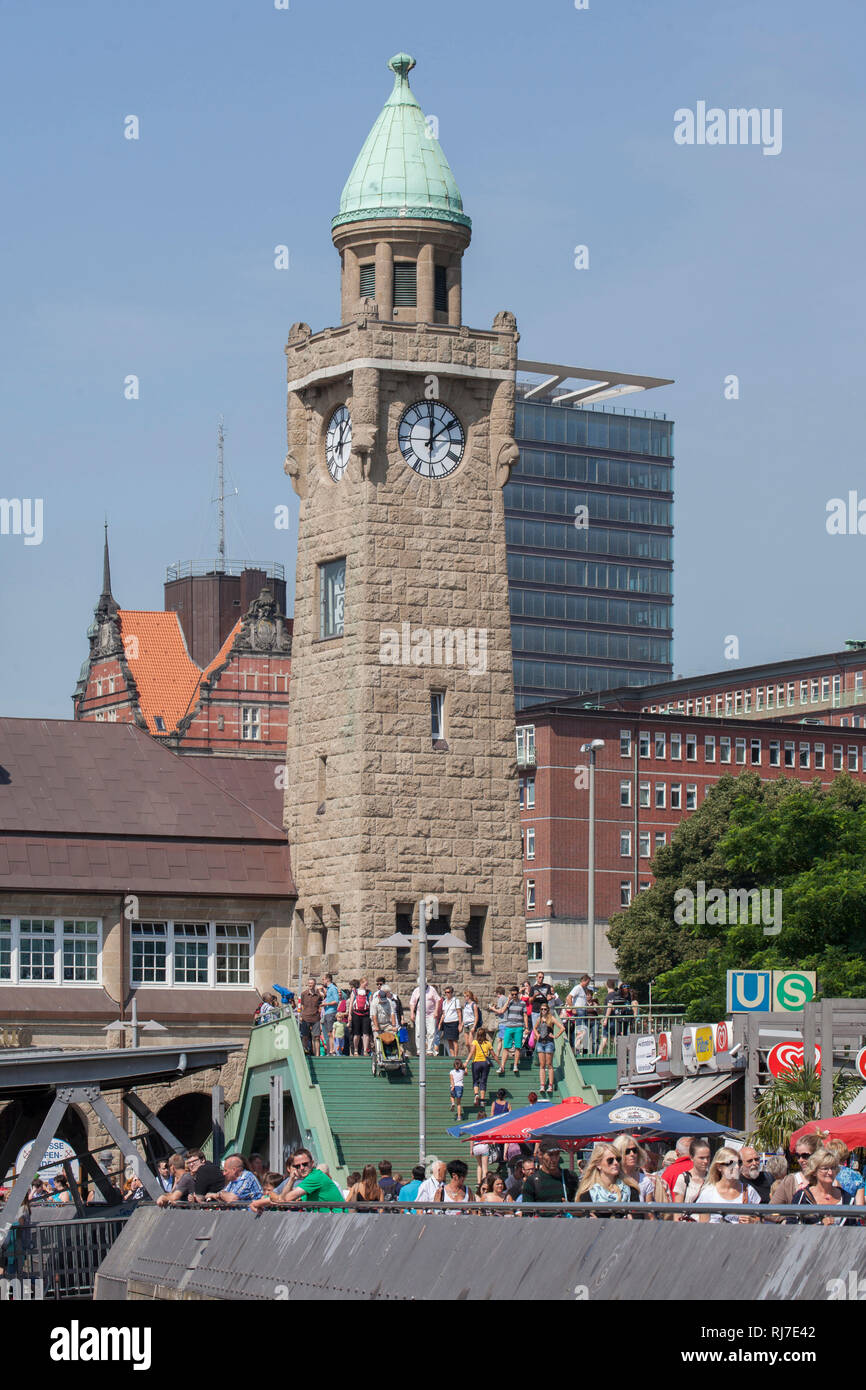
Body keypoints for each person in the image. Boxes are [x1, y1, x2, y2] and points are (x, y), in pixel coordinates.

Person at [251, 1148, 345, 1212]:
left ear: (312, 1164)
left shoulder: (315, 1177)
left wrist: (257, 1203)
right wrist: (291, 1179)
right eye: (297, 1166)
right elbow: (281, 1198)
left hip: (338, 1220)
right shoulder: (303, 1180)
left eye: (305, 1164)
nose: (301, 1168)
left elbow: (285, 1199)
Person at [792, 1147, 865, 1225]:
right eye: (825, 1168)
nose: (830, 1172)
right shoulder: (802, 1197)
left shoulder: (847, 1198)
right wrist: (819, 1225)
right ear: (814, 1172)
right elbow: (792, 1227)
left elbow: (852, 1229)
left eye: (833, 1168)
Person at [695, 1147, 762, 1222]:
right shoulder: (708, 1193)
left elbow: (760, 1221)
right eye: (731, 1163)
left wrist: (752, 1221)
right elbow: (703, 1226)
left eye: (739, 1163)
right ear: (719, 1167)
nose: (737, 1167)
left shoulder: (748, 1190)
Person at [577, 1143, 640, 1212]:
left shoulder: (631, 1190)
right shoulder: (588, 1193)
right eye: (610, 1160)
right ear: (598, 1164)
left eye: (618, 1159)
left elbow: (638, 1217)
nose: (616, 1163)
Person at [522, 1139, 578, 1214]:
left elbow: (582, 1209)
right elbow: (527, 1214)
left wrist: (571, 1209)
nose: (554, 1159)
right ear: (540, 1155)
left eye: (557, 1154)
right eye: (550, 1154)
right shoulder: (532, 1181)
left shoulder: (570, 1177)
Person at [769, 1132, 822, 1207]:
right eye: (797, 1156)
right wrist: (793, 1216)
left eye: (805, 1156)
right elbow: (771, 1211)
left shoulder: (829, 1179)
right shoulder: (790, 1181)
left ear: (817, 1155)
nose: (800, 1160)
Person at [672, 1138, 712, 1218]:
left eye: (708, 1157)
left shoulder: (713, 1179)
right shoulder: (683, 1178)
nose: (706, 1161)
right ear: (692, 1157)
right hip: (688, 1226)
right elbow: (677, 1211)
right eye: (701, 1158)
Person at [612, 1133, 656, 1203]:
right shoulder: (610, 1178)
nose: (632, 1154)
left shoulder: (645, 1180)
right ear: (618, 1153)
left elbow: (648, 1212)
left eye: (634, 1150)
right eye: (627, 1151)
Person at [533, 1001, 565, 1095]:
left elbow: (562, 1028)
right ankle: (542, 1085)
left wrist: (555, 1036)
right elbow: (535, 1028)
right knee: (542, 1065)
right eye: (542, 1009)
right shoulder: (539, 1019)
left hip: (549, 1043)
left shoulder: (551, 1018)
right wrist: (537, 1034)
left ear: (548, 1010)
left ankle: (550, 1085)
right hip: (540, 1043)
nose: (543, 1011)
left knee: (549, 1064)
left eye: (545, 1009)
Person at [498, 986, 526, 1076]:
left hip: (519, 1026)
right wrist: (508, 1000)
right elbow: (502, 1011)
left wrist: (527, 1027)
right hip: (509, 1026)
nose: (514, 996)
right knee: (506, 1046)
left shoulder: (522, 1003)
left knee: (517, 1046)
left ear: (518, 993)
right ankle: (502, 1066)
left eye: (515, 994)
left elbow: (525, 1015)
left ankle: (515, 1065)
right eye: (512, 994)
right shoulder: (509, 1003)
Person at [465, 1027, 496, 1108]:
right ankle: (482, 1101)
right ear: (485, 1035)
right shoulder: (488, 1043)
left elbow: (472, 1052)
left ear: (477, 1034)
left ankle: (476, 1095)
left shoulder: (475, 1042)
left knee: (475, 1080)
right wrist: (501, 1065)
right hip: (485, 1063)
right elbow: (493, 1055)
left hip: (476, 1063)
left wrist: (466, 1061)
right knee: (483, 1081)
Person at [410, 981, 441, 1057]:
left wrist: (436, 1011)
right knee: (418, 1032)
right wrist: (412, 1013)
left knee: (431, 1032)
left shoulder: (432, 989)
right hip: (419, 1014)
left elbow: (437, 1000)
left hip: (430, 1014)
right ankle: (419, 1050)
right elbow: (412, 1002)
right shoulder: (416, 991)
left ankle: (429, 1050)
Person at [298, 976, 323, 1057]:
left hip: (315, 1018)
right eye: (309, 983)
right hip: (305, 1018)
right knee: (304, 1036)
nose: (310, 985)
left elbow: (322, 1001)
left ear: (314, 984)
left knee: (316, 1037)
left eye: (312, 983)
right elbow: (301, 1006)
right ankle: (304, 1052)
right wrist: (301, 1016)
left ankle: (317, 1055)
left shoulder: (318, 995)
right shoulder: (303, 994)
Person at [349, 977, 373, 1057]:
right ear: (362, 983)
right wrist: (350, 1014)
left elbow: (370, 1003)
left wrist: (372, 1015)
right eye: (365, 983)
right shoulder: (354, 992)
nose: (366, 985)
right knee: (356, 1034)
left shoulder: (368, 992)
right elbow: (351, 1003)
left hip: (366, 1014)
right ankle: (356, 1050)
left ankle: (365, 1050)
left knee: (366, 1033)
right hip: (356, 1013)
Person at [439, 985, 462, 1058]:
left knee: (454, 1040)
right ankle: (452, 1056)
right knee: (449, 1040)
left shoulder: (456, 1001)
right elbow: (443, 1014)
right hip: (446, 1023)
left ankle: (456, 1056)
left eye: (448, 992)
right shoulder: (444, 1002)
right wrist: (440, 1023)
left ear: (452, 993)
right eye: (445, 992)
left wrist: (460, 1024)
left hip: (454, 1022)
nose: (447, 994)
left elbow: (459, 1012)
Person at [321, 973, 340, 1055]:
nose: (323, 980)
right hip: (327, 1012)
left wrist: (326, 1004)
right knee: (329, 1033)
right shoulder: (328, 989)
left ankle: (333, 1050)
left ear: (328, 979)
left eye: (324, 979)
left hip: (331, 1012)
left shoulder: (333, 988)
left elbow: (336, 1001)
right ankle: (331, 1050)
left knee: (331, 1032)